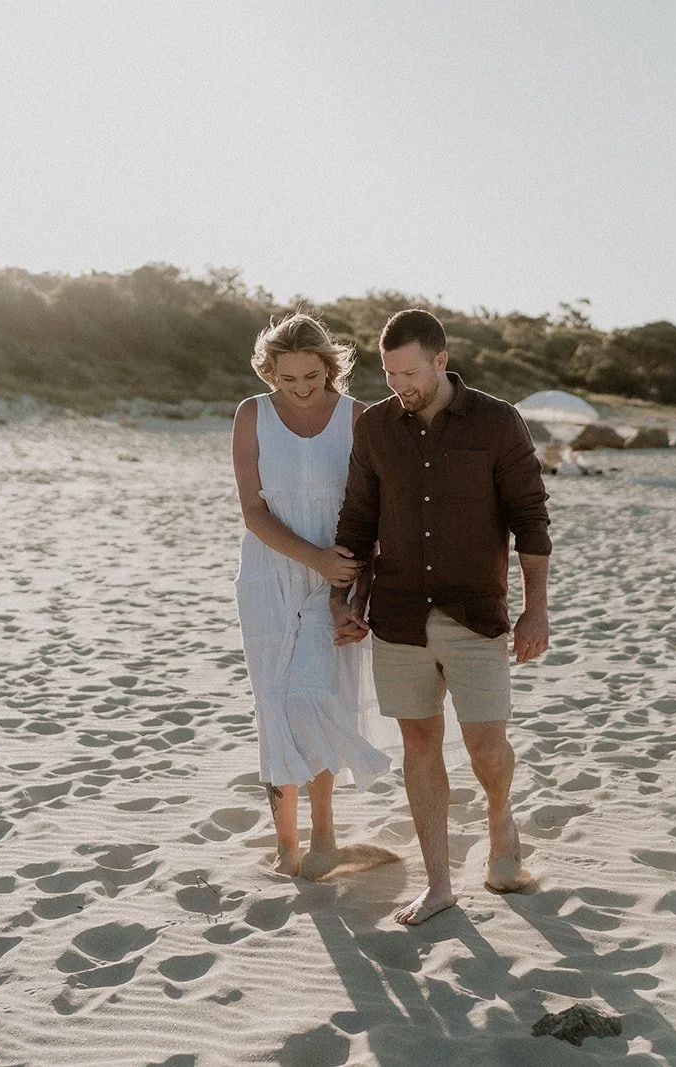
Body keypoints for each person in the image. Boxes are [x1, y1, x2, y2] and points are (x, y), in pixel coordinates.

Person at [333, 308, 551, 925]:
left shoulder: (497, 421)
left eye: (409, 372)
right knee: (419, 742)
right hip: (398, 614)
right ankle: (438, 884)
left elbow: (531, 519)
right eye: (388, 373)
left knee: (486, 744)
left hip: (475, 613)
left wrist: (536, 610)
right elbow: (357, 520)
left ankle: (500, 817)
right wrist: (342, 600)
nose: (399, 385)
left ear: (440, 361)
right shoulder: (375, 428)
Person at [233, 312, 392, 879]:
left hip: (342, 576)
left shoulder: (360, 419)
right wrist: (314, 559)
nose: (300, 389)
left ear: (331, 369)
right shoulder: (251, 414)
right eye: (286, 378)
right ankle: (285, 845)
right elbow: (253, 511)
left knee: (325, 698)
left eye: (312, 377)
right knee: (275, 702)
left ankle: (325, 837)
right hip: (267, 577)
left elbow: (373, 514)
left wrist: (347, 586)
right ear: (269, 371)